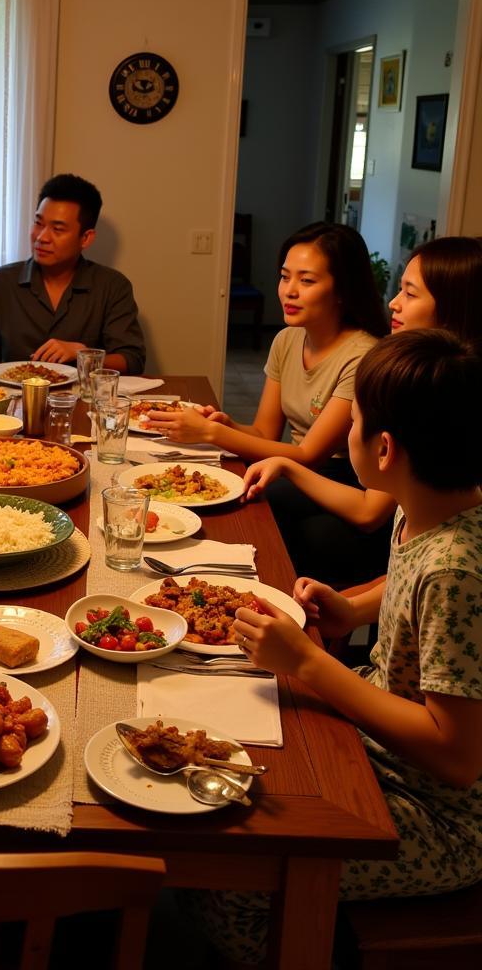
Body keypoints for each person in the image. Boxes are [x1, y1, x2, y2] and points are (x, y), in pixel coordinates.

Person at [187, 329, 482, 964]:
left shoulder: (458, 568)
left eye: (353, 422)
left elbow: (457, 757)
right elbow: (408, 583)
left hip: (444, 816)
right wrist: (351, 606)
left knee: (233, 881)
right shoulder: (429, 505)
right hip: (379, 742)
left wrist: (311, 663)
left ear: (383, 447)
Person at [147, 222, 390, 585]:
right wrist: (227, 424)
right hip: (292, 464)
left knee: (244, 504)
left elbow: (311, 455)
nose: (289, 291)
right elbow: (263, 432)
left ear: (342, 289)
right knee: (218, 489)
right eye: (284, 276)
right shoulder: (287, 340)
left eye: (307, 281)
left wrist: (212, 434)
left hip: (344, 478)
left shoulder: (363, 355)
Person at [241, 235, 482, 538]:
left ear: (453, 307)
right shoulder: (288, 341)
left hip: (402, 529)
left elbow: (370, 509)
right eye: (285, 277)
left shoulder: (422, 385)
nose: (393, 303)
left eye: (410, 294)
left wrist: (284, 465)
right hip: (396, 524)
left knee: (307, 529)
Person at [0, 173, 146, 373]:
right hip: (14, 399)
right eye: (38, 223)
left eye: (58, 229)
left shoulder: (112, 286)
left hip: (82, 401)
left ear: (86, 238)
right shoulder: (1, 282)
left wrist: (84, 354)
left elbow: (132, 360)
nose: (42, 237)